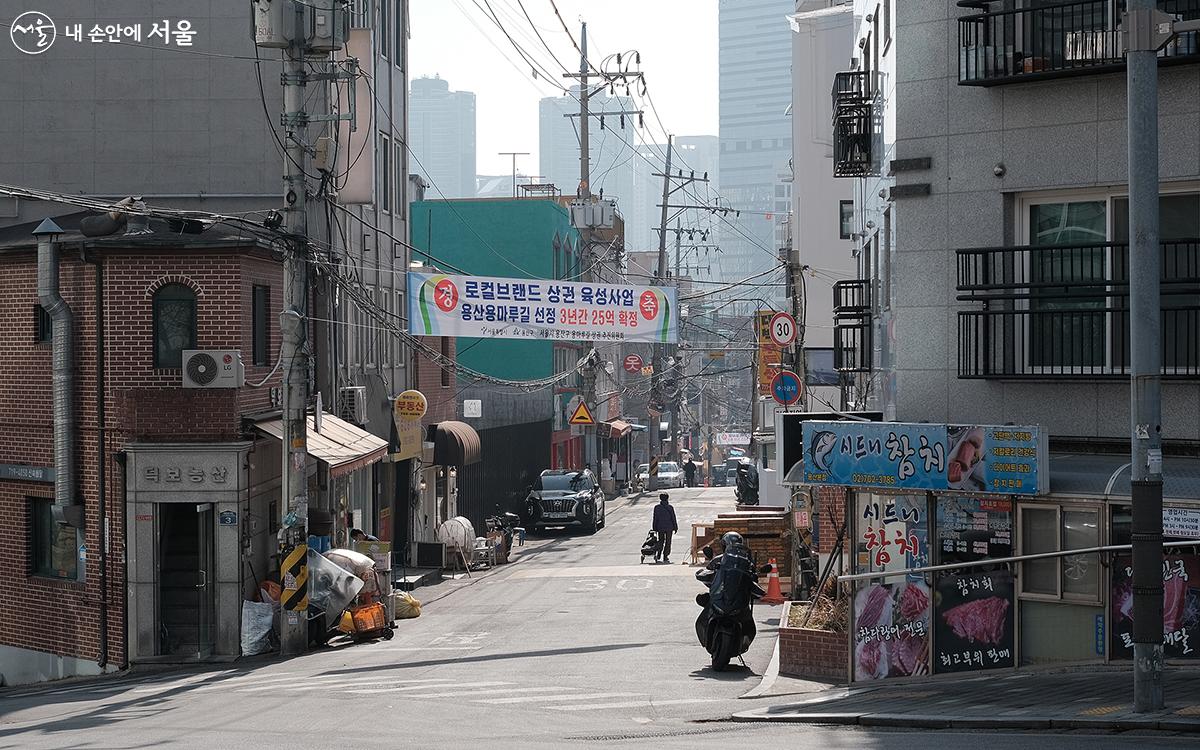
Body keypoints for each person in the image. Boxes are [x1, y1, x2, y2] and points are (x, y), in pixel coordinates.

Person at [652, 493, 678, 563]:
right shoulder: (670, 507)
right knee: (668, 541)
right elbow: (673, 518)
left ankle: (659, 554)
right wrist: (675, 527)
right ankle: (665, 556)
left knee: (661, 541)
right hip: (669, 527)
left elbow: (655, 518)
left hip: (660, 527)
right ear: (667, 498)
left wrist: (654, 527)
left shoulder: (657, 507)